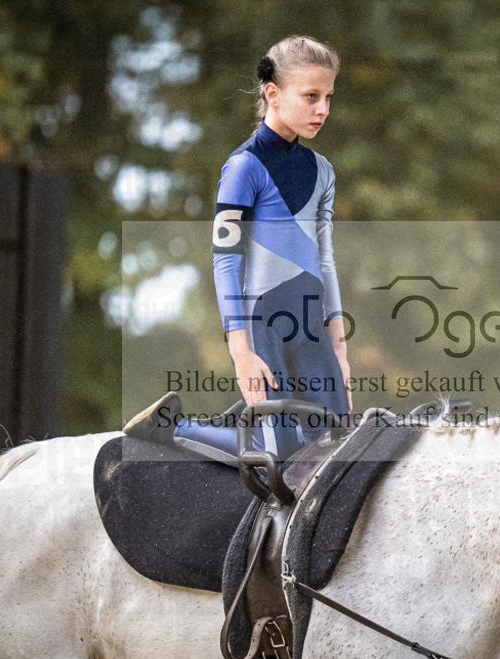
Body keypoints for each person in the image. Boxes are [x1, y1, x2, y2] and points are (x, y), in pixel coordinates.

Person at [127, 36, 352, 460]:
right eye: (310, 96)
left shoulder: (323, 171)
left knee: (340, 445)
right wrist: (240, 350)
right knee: (279, 455)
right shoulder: (243, 167)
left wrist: (339, 348)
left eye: (327, 97)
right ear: (273, 93)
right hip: (261, 323)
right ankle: (173, 427)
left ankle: (239, 420)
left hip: (310, 325)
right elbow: (225, 260)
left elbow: (325, 258)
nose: (322, 109)